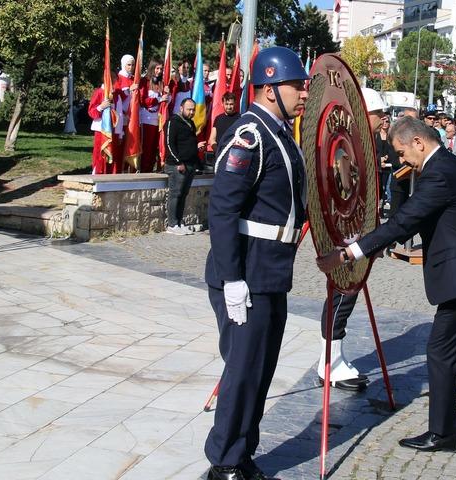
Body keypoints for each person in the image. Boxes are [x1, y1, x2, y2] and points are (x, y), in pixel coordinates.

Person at [316, 116, 456, 452]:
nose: (402, 160)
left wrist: (351, 252)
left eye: (402, 152)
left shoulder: (439, 173)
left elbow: (405, 221)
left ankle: (443, 433)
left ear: (418, 142)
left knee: (439, 350)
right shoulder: (448, 163)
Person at [203, 46, 309, 480]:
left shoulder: (279, 131)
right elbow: (223, 209)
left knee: (260, 370)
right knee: (243, 371)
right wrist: (232, 279)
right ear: (268, 88)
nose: (303, 93)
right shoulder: (251, 134)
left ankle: (243, 451)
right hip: (246, 271)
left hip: (271, 271)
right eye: (295, 85)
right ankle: (224, 460)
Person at [315, 87, 388, 392]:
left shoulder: (363, 142)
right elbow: (344, 187)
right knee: (343, 292)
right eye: (378, 115)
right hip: (346, 229)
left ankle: (334, 358)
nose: (383, 120)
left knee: (349, 292)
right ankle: (328, 362)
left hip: (359, 227)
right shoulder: (349, 143)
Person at [164, 98, 205, 235]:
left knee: (183, 195)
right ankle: (172, 224)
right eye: (189, 109)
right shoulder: (173, 122)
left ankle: (179, 222)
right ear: (181, 108)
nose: (192, 112)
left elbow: (188, 142)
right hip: (177, 166)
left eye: (193, 109)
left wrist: (196, 148)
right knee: (175, 194)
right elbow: (169, 144)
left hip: (190, 165)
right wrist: (178, 162)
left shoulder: (191, 123)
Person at [88, 71, 126, 175]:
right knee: (100, 154)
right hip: (101, 130)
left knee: (112, 155)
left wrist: (120, 132)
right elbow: (91, 111)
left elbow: (119, 114)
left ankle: (110, 175)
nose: (112, 80)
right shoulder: (99, 92)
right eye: (109, 78)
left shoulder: (116, 95)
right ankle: (98, 173)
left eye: (114, 78)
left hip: (114, 130)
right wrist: (101, 107)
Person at [138, 59, 170, 173]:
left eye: (161, 69)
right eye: (157, 68)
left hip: (159, 119)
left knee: (155, 147)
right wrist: (159, 99)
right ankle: (143, 170)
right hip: (146, 119)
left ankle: (153, 169)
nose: (159, 71)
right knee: (146, 147)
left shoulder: (162, 83)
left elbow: (166, 102)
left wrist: (167, 94)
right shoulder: (144, 81)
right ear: (152, 68)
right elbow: (143, 100)